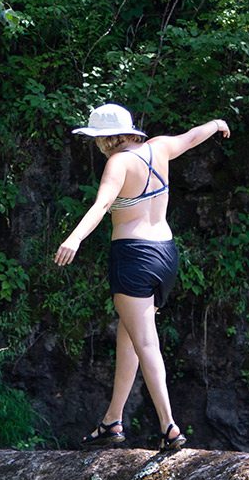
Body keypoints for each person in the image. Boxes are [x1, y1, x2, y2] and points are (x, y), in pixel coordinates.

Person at [54, 103, 231, 450]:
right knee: (130, 335)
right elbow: (192, 138)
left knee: (146, 343)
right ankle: (112, 420)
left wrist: (74, 238)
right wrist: (215, 122)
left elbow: (102, 205)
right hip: (165, 254)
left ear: (106, 139)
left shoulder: (118, 162)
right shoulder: (159, 146)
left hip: (133, 256)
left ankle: (169, 427)